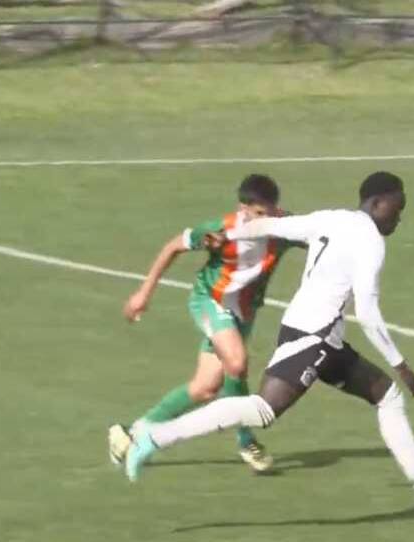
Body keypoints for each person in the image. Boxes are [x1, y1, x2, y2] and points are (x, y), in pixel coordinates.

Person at [119, 171, 414, 514]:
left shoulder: (331, 218)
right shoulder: (371, 243)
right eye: (398, 207)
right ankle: (154, 438)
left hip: (321, 338)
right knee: (262, 410)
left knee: (387, 397)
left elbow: (271, 226)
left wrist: (232, 234)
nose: (399, 217)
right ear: (377, 202)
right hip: (312, 338)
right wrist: (399, 363)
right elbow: (366, 311)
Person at [108, 174, 295, 474]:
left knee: (206, 387)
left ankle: (132, 433)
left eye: (271, 211)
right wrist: (144, 293)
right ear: (243, 208)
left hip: (243, 313)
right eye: (260, 213)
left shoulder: (284, 228)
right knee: (236, 363)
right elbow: (172, 247)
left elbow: (319, 236)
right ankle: (246, 440)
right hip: (211, 302)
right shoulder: (219, 231)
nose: (267, 219)